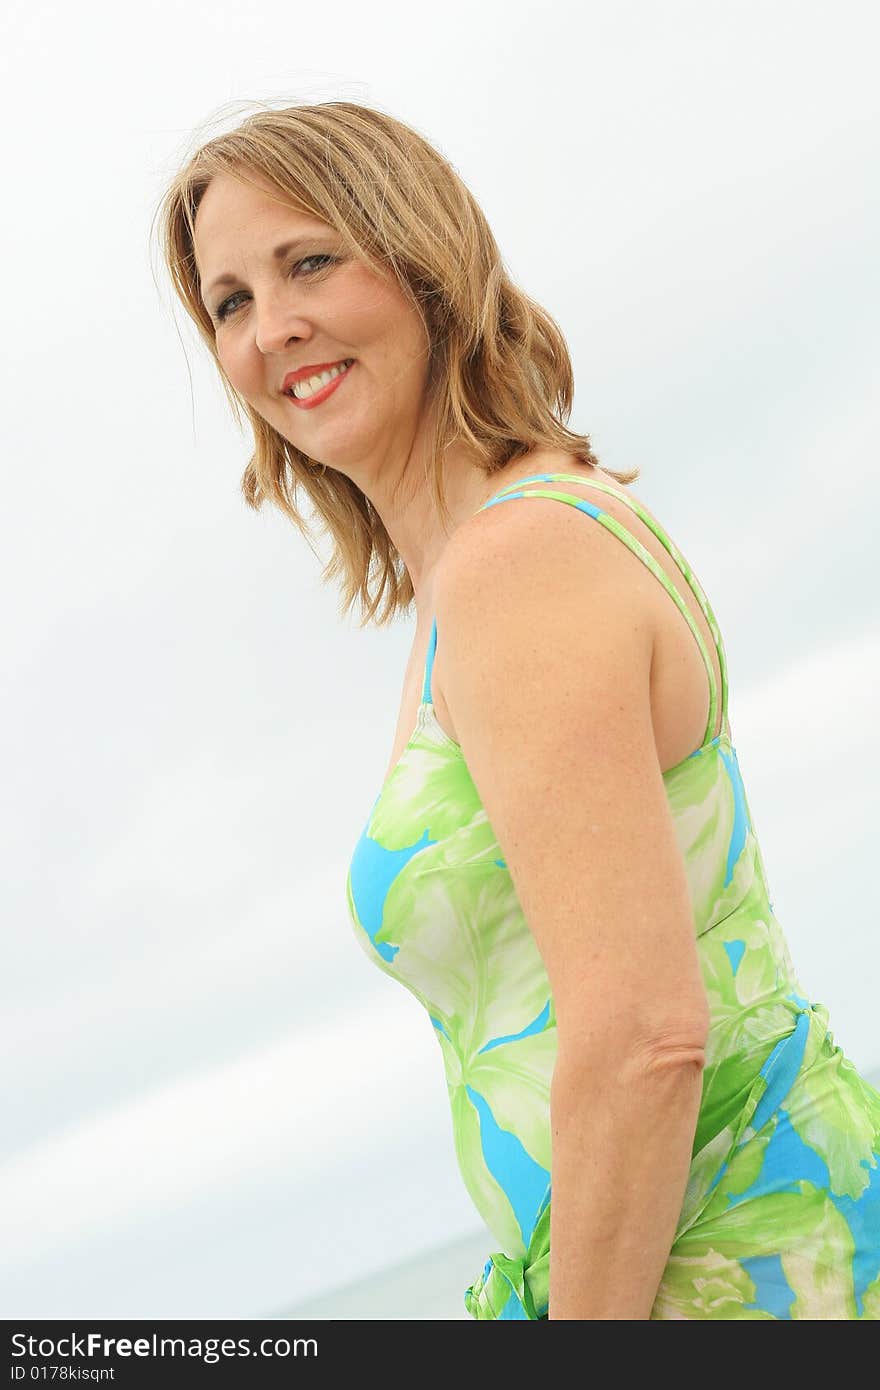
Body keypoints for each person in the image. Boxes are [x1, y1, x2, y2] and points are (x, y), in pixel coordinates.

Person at [156, 100, 880, 1320]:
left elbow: (645, 1036)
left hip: (739, 1269)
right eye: (228, 302)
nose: (273, 328)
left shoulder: (517, 562)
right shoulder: (491, 566)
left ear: (423, 259)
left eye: (309, 262)